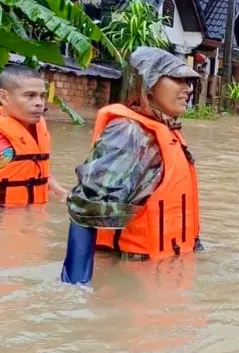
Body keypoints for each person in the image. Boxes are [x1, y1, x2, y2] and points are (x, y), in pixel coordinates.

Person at [61, 47, 203, 285]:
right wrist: (76, 287)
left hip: (162, 273)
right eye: (177, 79)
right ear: (147, 83)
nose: (187, 88)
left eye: (188, 81)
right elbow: (87, 210)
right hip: (130, 278)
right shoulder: (130, 133)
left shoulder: (162, 131)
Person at [0, 65, 67, 206]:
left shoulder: (37, 130)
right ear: (4, 97)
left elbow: (38, 171)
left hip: (34, 215)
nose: (39, 103)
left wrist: (61, 192)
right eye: (30, 95)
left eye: (42, 96)